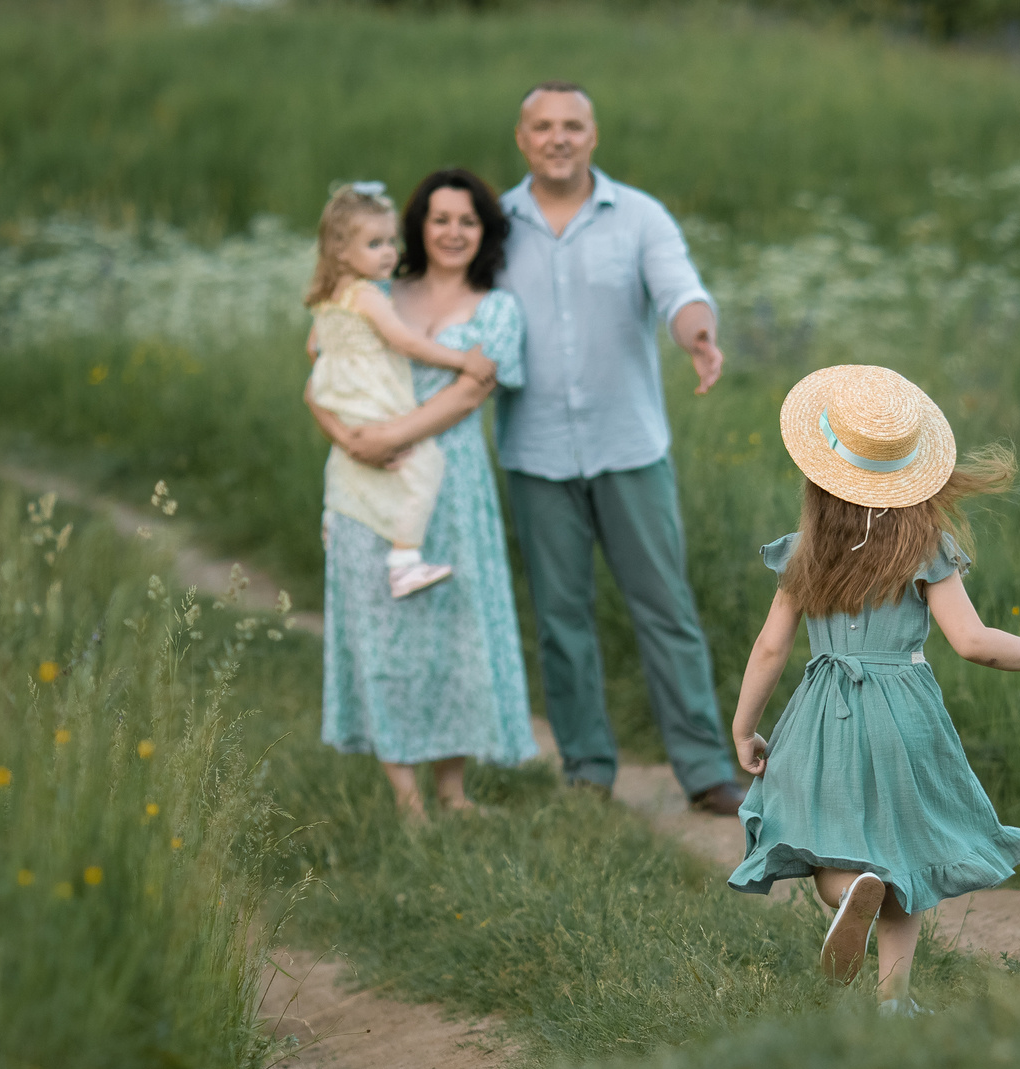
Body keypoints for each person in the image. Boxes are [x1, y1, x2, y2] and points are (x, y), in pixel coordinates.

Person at [725, 365, 1020, 1014]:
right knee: (903, 852)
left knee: (829, 850)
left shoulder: (806, 552)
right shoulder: (925, 547)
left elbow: (771, 647)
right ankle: (893, 998)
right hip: (906, 715)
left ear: (821, 472)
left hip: (828, 717)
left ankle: (851, 892)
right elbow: (973, 642)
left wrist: (743, 728)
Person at [494, 82, 745, 816]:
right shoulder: (496, 225)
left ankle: (703, 769)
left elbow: (679, 291)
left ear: (592, 136)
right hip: (534, 452)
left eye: (573, 125)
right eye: (544, 126)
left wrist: (697, 335)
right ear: (522, 138)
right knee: (560, 617)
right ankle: (586, 770)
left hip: (628, 447)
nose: (559, 137)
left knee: (664, 608)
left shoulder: (639, 216)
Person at [306, 170, 538, 820]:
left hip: (451, 481)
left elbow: (470, 391)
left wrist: (386, 438)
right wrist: (356, 444)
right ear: (418, 226)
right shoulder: (372, 293)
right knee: (381, 628)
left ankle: (452, 793)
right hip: (363, 479)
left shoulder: (496, 308)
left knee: (452, 630)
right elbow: (325, 373)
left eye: (467, 220)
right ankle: (405, 797)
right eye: (440, 219)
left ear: (484, 231)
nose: (453, 232)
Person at [305, 181, 497, 599]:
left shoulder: (328, 298)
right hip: (373, 396)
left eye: (391, 241)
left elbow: (313, 349)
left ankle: (335, 515)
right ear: (341, 249)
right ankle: (405, 560)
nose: (389, 252)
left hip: (339, 395)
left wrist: (342, 367)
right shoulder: (369, 296)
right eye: (375, 244)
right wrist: (462, 360)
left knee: (363, 462)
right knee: (423, 465)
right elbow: (407, 343)